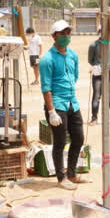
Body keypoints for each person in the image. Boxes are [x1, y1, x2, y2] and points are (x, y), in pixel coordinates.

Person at [40, 20, 85, 190]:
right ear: (54, 36)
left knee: (79, 138)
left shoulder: (73, 55)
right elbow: (46, 87)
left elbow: (75, 76)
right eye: (62, 33)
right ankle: (61, 177)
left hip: (72, 103)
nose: (66, 36)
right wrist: (51, 111)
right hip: (57, 105)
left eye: (68, 33)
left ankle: (72, 174)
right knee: (59, 142)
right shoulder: (47, 59)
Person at [88, 27, 110, 125]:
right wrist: (98, 66)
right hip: (97, 75)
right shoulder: (93, 45)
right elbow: (90, 60)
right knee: (96, 96)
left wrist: (109, 66)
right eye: (101, 31)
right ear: (99, 32)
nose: (103, 33)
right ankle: (94, 118)